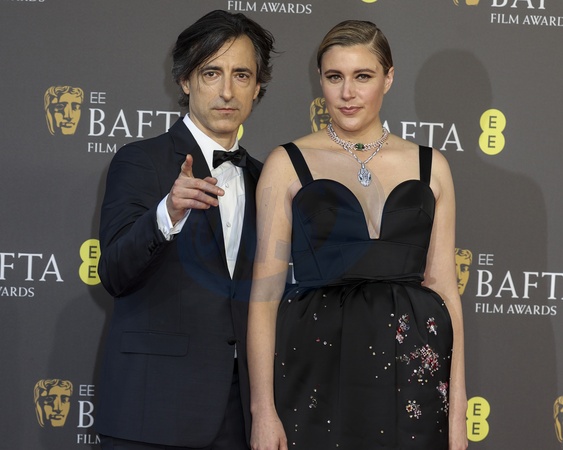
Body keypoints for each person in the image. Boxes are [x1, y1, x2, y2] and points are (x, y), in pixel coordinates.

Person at [247, 20, 467, 450]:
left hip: (413, 378)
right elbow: (265, 296)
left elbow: (445, 289)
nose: (347, 93)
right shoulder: (287, 163)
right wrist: (263, 411)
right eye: (335, 77)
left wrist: (457, 411)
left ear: (389, 78)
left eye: (362, 76)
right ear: (321, 81)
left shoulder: (432, 166)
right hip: (315, 374)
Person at [95, 10, 275, 450]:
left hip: (237, 416)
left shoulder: (267, 178)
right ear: (185, 80)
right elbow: (114, 272)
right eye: (211, 73)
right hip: (151, 411)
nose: (227, 91)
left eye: (241, 75)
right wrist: (167, 213)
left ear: (257, 87)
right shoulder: (140, 161)